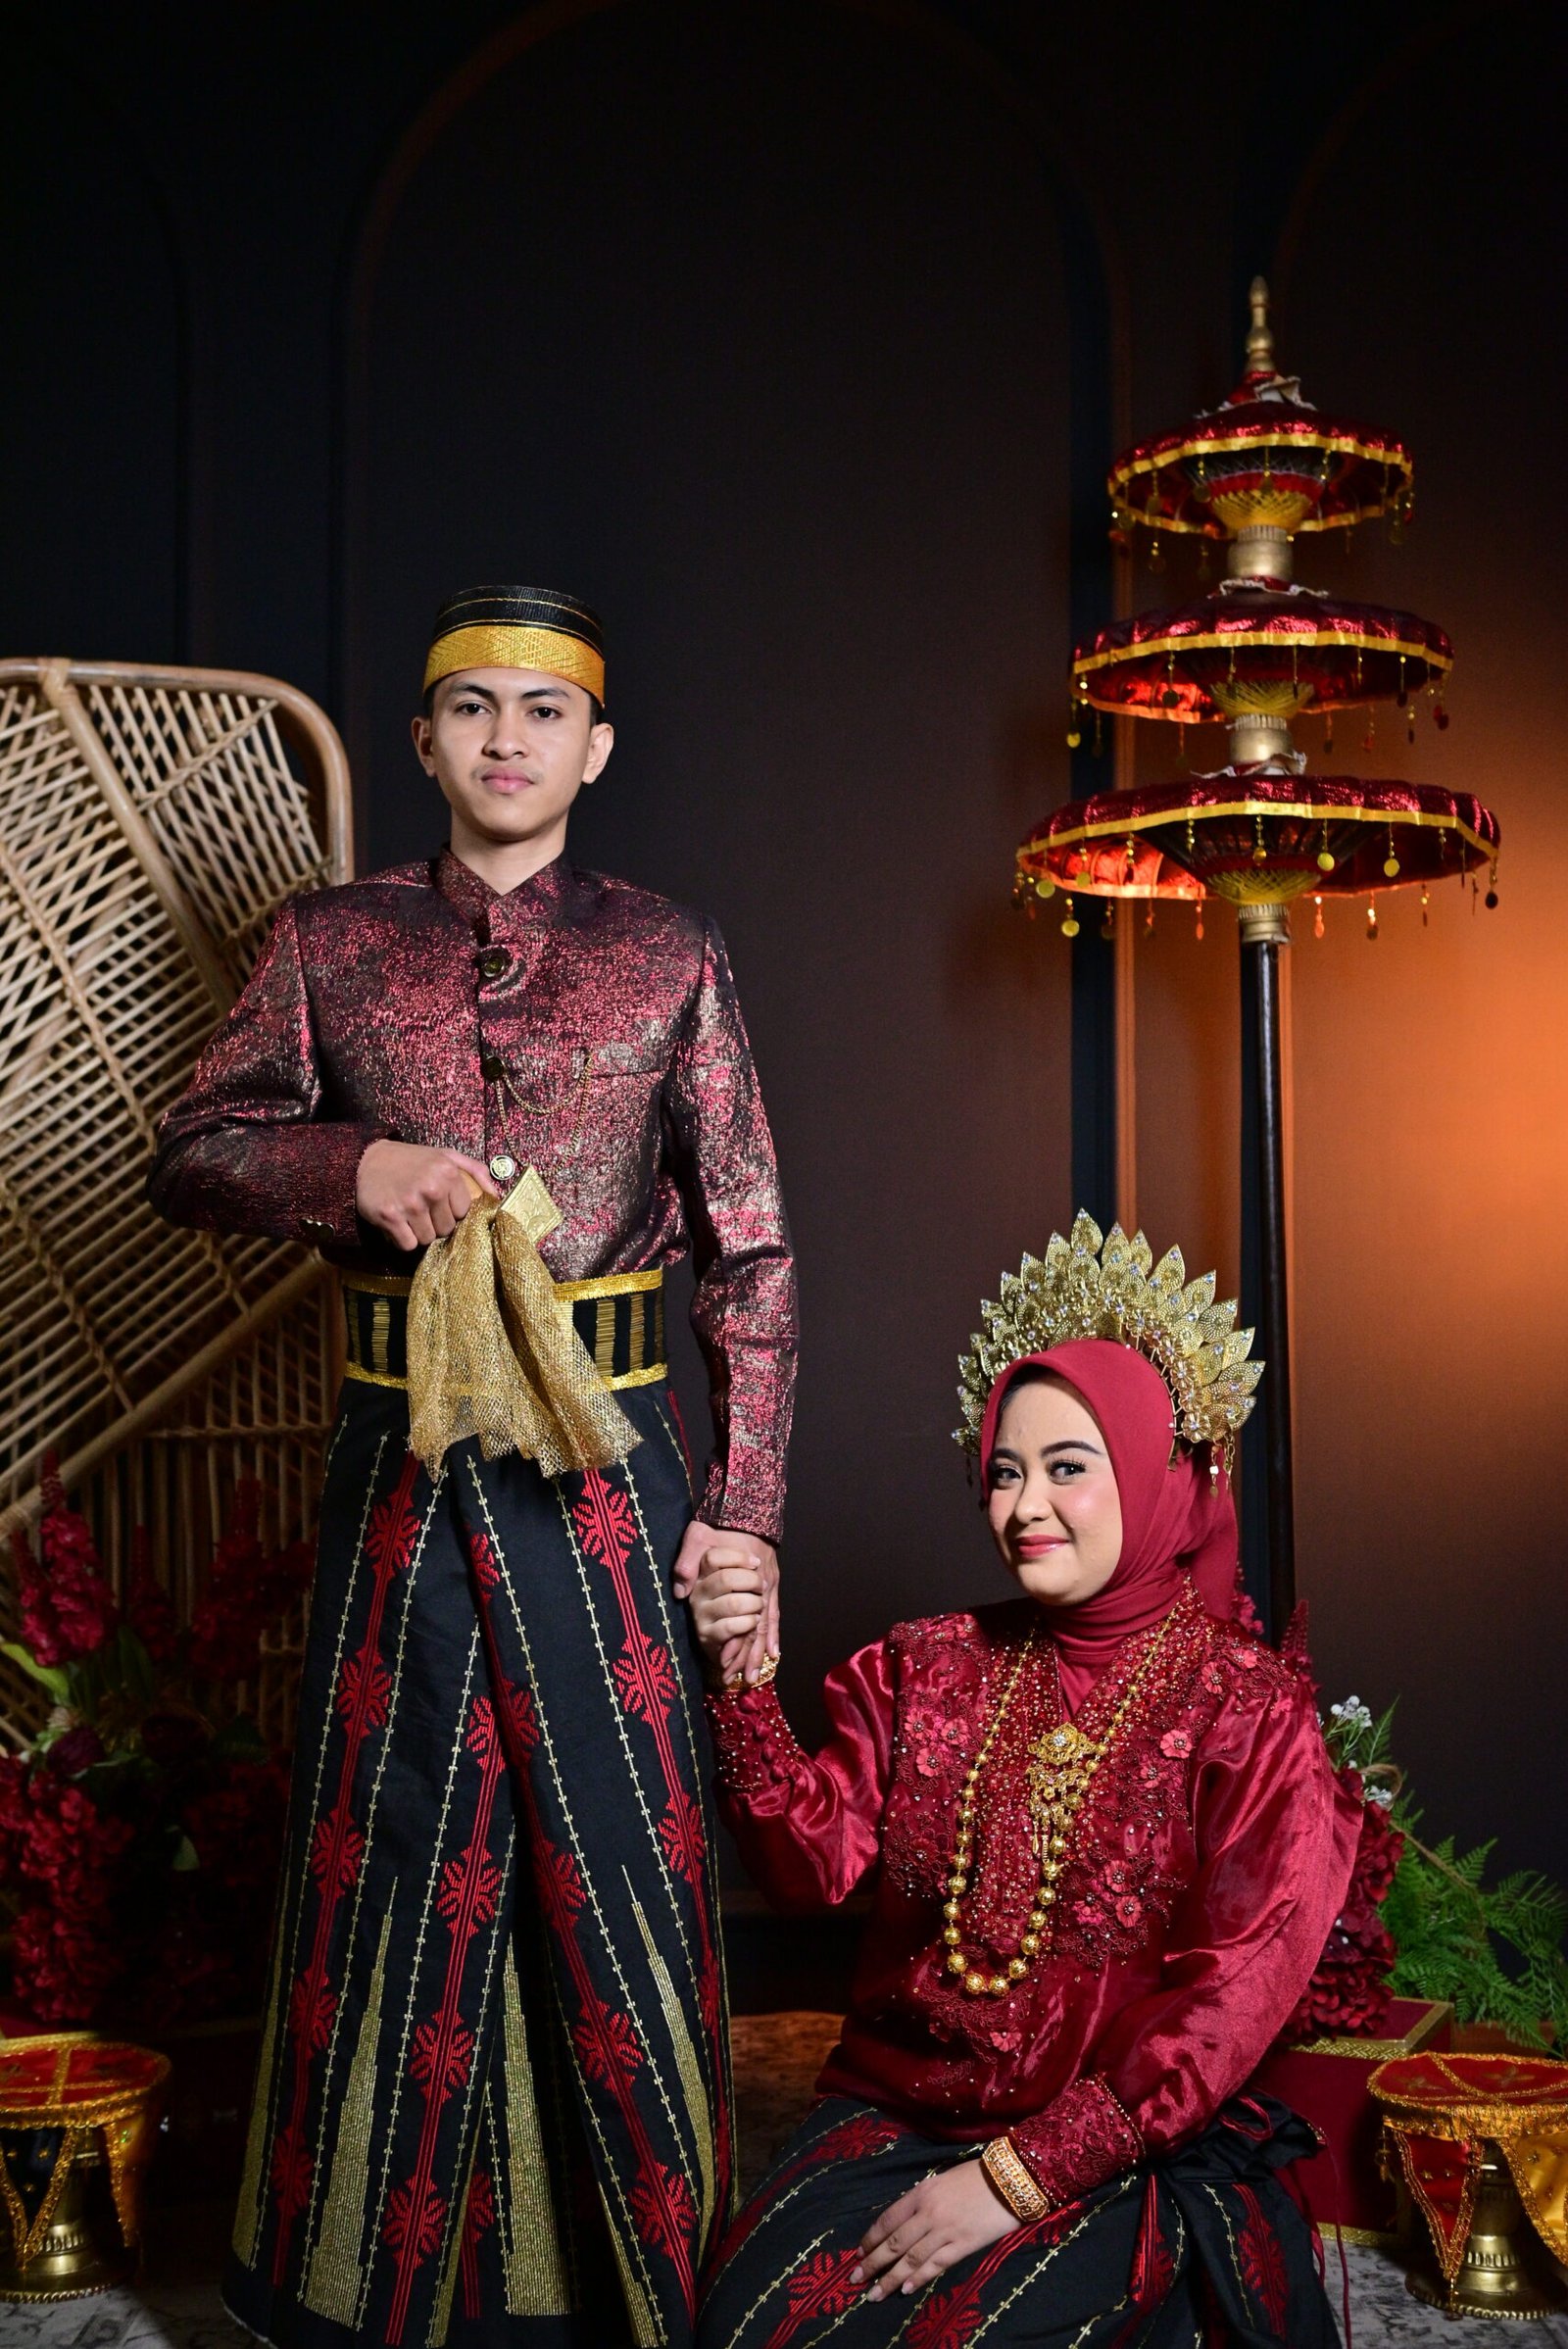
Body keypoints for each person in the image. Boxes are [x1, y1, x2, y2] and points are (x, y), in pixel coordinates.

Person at [148, 584, 797, 2349]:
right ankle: (357, 2290)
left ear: (598, 746)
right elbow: (191, 1148)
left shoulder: (670, 948)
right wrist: (351, 1168)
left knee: (621, 1847)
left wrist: (745, 1514)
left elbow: (750, 1254)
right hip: (403, 1465)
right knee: (394, 1845)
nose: (508, 737)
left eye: (544, 709)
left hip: (613, 1474)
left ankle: (640, 2285)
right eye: (471, 706)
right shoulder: (330, 937)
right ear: (426, 740)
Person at [689, 1217, 1358, 2347]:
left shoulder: (1246, 1710)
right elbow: (805, 1871)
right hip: (894, 2114)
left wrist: (1014, 2179)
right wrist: (740, 1679)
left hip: (1111, 2147)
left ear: (1160, 1473)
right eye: (1003, 1473)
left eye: (1066, 1470)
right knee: (751, 2327)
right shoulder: (924, 1665)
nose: (1022, 1508)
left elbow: (1225, 2002)